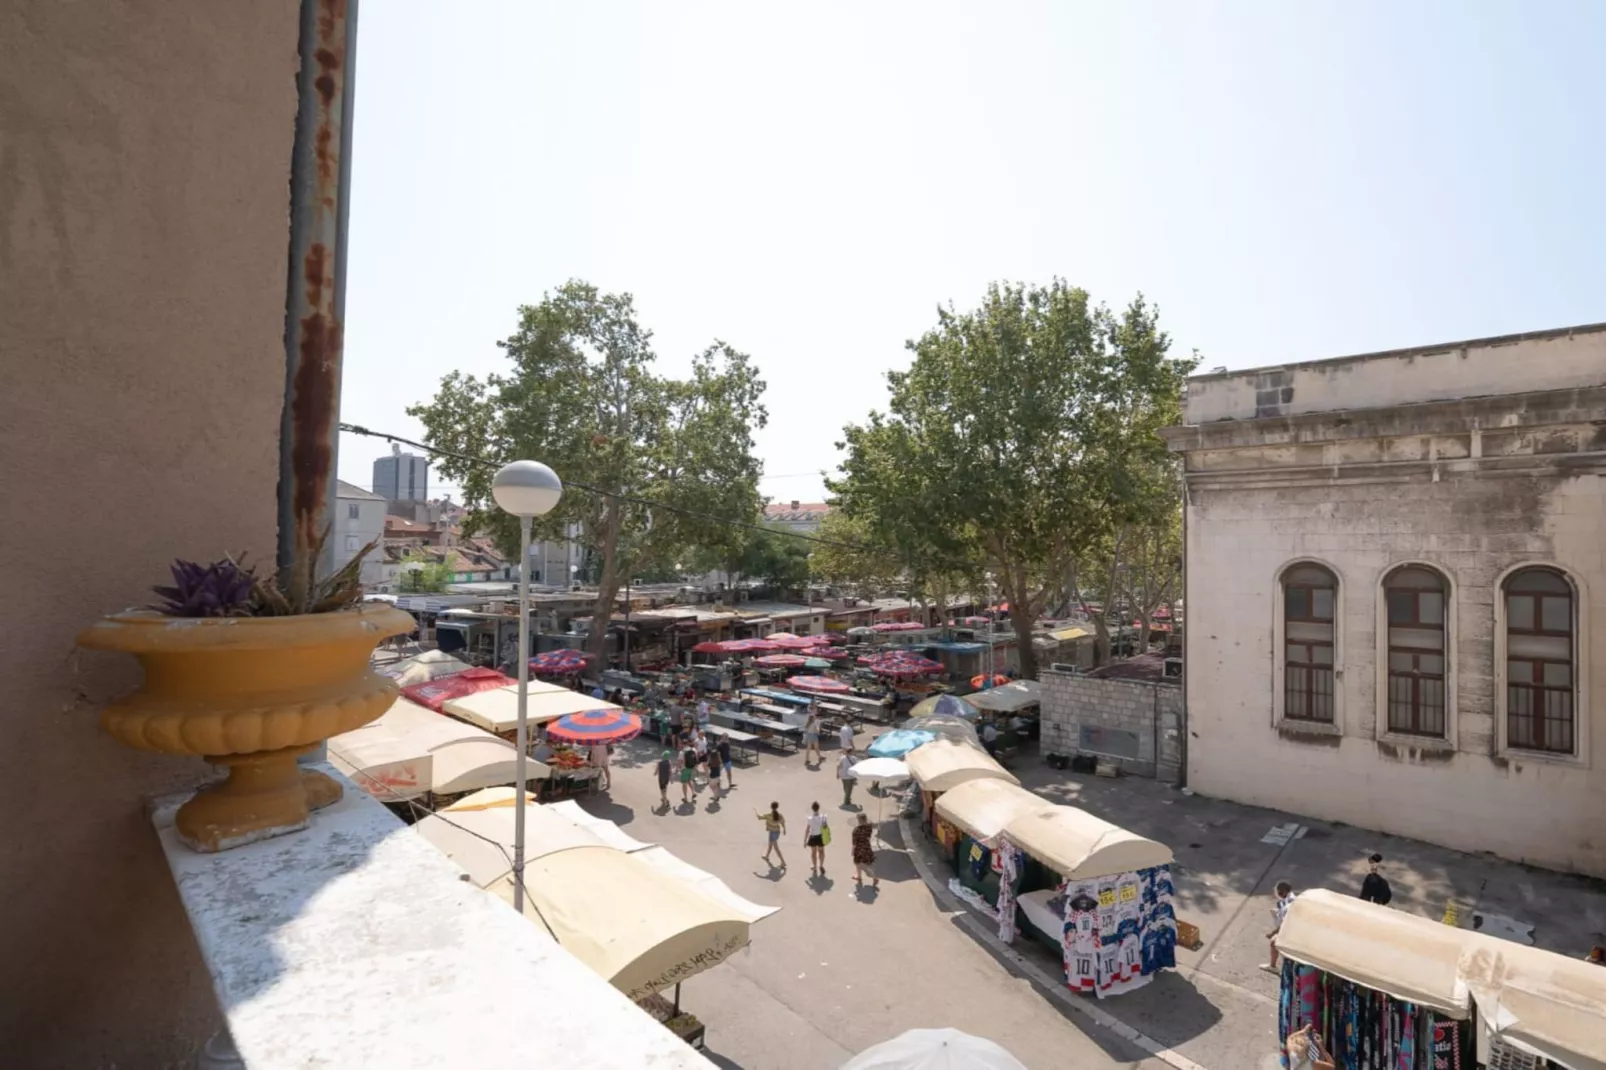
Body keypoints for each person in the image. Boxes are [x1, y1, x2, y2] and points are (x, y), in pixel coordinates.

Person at [1264, 880, 1296, 971]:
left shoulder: (1289, 905)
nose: (1277, 893)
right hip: (1291, 929)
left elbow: (1284, 923)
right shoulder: (1289, 899)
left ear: (1284, 891)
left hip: (1290, 931)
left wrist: (1272, 933)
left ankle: (1276, 967)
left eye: (1278, 891)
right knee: (1274, 943)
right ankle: (1273, 966)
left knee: (1275, 943)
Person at [851, 812, 878, 888]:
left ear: (858, 820)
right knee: (867, 863)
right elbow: (869, 836)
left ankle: (861, 877)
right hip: (866, 847)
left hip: (859, 849)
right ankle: (870, 877)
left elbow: (854, 843)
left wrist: (852, 851)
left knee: (857, 862)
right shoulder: (869, 827)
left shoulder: (856, 830)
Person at [757, 802, 786, 868]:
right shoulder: (780, 815)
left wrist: (756, 812)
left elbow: (759, 817)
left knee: (776, 848)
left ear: (771, 807)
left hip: (772, 833)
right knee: (770, 845)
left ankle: (783, 862)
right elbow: (783, 822)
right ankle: (766, 856)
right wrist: (784, 830)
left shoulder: (768, 815)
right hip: (777, 832)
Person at [804, 801, 830, 877]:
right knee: (821, 852)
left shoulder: (810, 819)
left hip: (813, 837)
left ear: (812, 809)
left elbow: (807, 830)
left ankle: (815, 867)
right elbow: (826, 827)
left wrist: (805, 840)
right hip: (821, 837)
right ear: (819, 808)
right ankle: (821, 865)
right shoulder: (823, 817)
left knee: (813, 853)